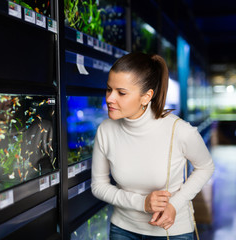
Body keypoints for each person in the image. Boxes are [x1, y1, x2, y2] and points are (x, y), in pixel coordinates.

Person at [91, 52, 214, 239]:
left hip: (171, 232)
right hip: (122, 229)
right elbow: (98, 186)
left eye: (121, 93)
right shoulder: (105, 130)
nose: (109, 98)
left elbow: (205, 167)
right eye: (109, 89)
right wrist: (142, 203)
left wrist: (175, 204)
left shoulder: (179, 130)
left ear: (146, 97)